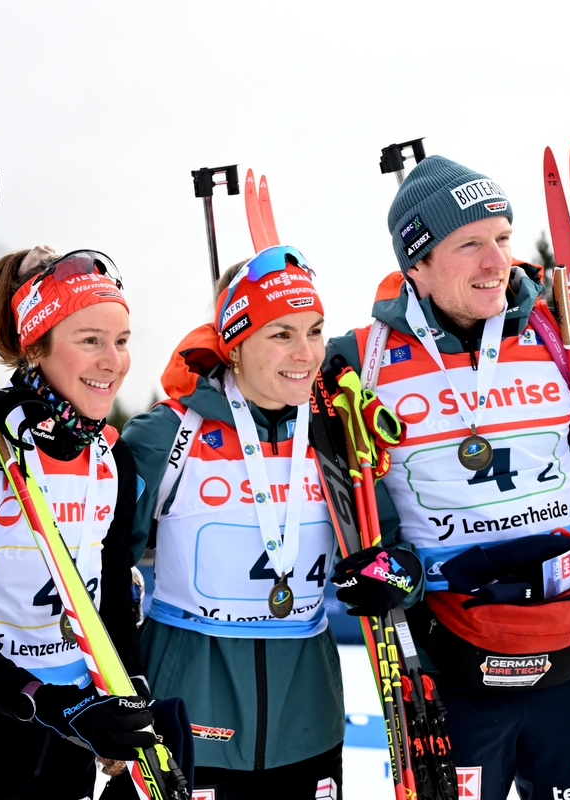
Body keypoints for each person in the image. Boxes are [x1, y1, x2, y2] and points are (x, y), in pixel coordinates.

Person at [327, 155, 570, 800]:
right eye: (469, 244)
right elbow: (332, 489)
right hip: (447, 661)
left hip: (569, 645)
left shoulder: (558, 334)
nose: (496, 260)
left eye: (502, 237)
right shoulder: (360, 359)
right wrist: (378, 560)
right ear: (416, 263)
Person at [123, 247, 412, 799]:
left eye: (315, 331)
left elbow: (395, 551)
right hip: (187, 721)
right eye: (281, 334)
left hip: (308, 723)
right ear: (234, 345)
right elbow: (102, 567)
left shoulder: (336, 435)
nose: (306, 353)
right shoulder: (167, 436)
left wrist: (395, 576)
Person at [0, 246, 174, 798]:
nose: (113, 361)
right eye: (90, 341)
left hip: (70, 740)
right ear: (35, 347)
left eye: (121, 341)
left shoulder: (112, 456)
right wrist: (50, 704)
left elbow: (111, 600)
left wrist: (127, 694)